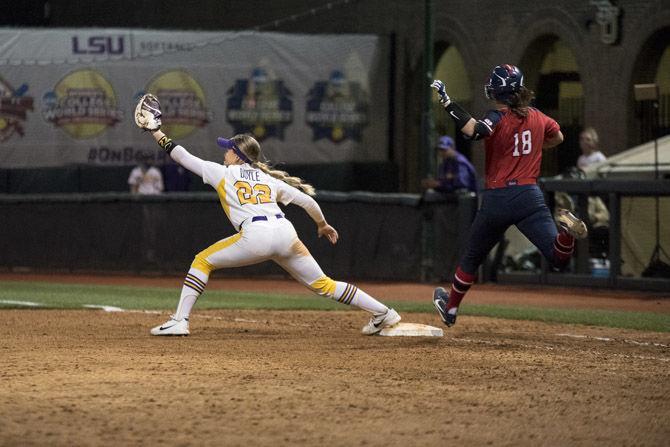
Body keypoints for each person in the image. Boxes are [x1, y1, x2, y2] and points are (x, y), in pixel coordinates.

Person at [133, 94, 401, 336]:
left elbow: (182, 157)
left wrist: (156, 132)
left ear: (238, 156)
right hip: (286, 234)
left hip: (256, 235)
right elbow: (308, 201)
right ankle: (384, 313)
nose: (224, 152)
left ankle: (180, 320)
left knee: (202, 261)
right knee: (325, 285)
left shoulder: (223, 173)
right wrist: (322, 225)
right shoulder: (268, 179)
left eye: (228, 149)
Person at [429, 64, 588, 327]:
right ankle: (566, 234)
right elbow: (558, 136)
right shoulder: (537, 116)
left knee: (471, 257)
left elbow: (473, 131)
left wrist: (447, 101)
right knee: (558, 257)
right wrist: (536, 146)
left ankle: (452, 308)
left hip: (498, 198)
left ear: (497, 90)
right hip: (529, 196)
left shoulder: (498, 116)